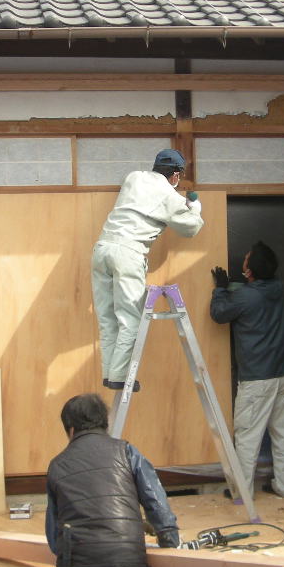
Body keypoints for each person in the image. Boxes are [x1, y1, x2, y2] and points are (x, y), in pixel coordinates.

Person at [45, 393, 180, 567]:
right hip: (126, 561)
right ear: (104, 424)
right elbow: (155, 500)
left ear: (70, 430)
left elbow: (54, 534)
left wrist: (67, 559)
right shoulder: (126, 451)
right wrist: (169, 541)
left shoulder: (57, 465)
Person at [91, 148, 203, 390]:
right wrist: (194, 207)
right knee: (130, 319)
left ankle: (109, 373)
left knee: (107, 318)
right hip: (128, 254)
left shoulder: (133, 177)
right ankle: (120, 377)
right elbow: (191, 228)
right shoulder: (170, 196)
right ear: (175, 175)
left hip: (102, 249)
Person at [209, 241, 284, 499]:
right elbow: (254, 293)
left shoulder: (247, 296)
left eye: (246, 261)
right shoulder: (278, 288)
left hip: (257, 382)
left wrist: (220, 289)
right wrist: (236, 287)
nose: (243, 262)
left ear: (249, 272)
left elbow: (219, 314)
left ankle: (242, 493)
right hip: (283, 376)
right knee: (283, 433)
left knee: (248, 437)